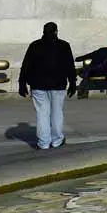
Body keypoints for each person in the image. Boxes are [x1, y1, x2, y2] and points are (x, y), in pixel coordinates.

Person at [18, 22, 76, 150]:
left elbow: (26, 65)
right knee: (57, 113)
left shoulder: (35, 45)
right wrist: (73, 82)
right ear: (56, 31)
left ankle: (44, 143)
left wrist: (22, 83)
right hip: (58, 84)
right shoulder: (63, 45)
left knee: (42, 114)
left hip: (38, 84)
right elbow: (69, 66)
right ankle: (57, 140)